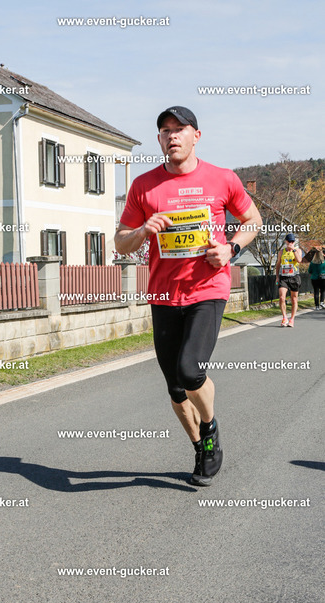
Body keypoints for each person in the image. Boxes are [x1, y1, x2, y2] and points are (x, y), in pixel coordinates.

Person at [114, 106, 262, 486]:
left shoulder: (222, 178)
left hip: (207, 289)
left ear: (196, 135)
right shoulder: (144, 186)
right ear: (159, 139)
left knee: (190, 370)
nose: (172, 135)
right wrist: (143, 231)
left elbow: (253, 221)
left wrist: (230, 248)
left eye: (180, 129)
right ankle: (200, 446)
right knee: (175, 387)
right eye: (165, 130)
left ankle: (210, 428)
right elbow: (121, 241)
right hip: (164, 294)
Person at [275, 233, 302, 327]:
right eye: (289, 241)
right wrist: (277, 276)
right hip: (284, 277)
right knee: (282, 297)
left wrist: (293, 250)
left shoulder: (298, 250)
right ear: (286, 241)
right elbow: (278, 264)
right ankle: (284, 317)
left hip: (294, 277)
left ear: (294, 242)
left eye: (292, 241)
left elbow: (299, 260)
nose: (290, 243)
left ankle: (292, 319)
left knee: (294, 299)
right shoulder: (281, 252)